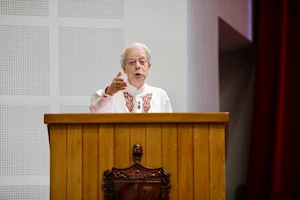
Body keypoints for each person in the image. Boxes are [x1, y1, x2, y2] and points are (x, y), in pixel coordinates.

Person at [89, 42, 172, 113]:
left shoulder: (160, 95)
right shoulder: (112, 95)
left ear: (149, 66)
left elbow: (170, 128)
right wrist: (109, 92)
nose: (137, 66)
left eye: (142, 62)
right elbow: (95, 112)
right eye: (132, 62)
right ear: (123, 68)